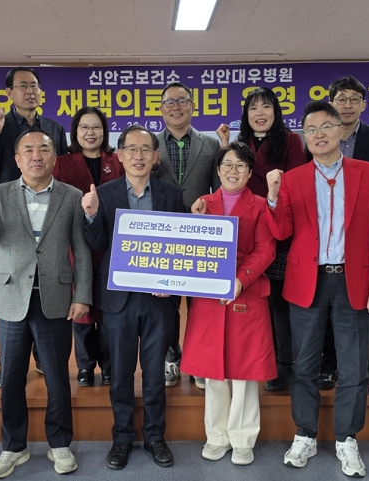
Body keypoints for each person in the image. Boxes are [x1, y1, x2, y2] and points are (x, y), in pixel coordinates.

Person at [266, 101, 369, 478]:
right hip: (307, 281)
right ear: (304, 137)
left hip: (353, 281)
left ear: (341, 130)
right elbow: (282, 231)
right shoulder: (293, 178)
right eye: (310, 129)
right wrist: (273, 197)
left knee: (353, 366)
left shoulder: (368, 173)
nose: (318, 134)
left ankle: (346, 438)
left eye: (325, 127)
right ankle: (305, 434)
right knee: (304, 364)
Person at [0, 129, 91, 478]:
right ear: (17, 159)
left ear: (54, 157)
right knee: (12, 379)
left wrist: (82, 296)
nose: (36, 155)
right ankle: (14, 447)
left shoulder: (72, 196)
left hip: (55, 299)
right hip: (12, 298)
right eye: (28, 150)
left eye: (43, 149)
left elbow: (82, 251)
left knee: (57, 378)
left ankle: (59, 444)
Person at [82, 125, 184, 470]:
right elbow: (97, 244)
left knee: (155, 375)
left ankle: (155, 437)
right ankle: (123, 438)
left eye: (145, 150)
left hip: (159, 299)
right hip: (118, 299)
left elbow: (181, 246)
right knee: (121, 373)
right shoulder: (105, 193)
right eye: (131, 149)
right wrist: (91, 215)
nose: (138, 156)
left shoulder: (171, 194)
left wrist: (173, 281)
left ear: (155, 157)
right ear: (120, 155)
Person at [181, 142, 276, 466]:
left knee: (245, 375)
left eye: (240, 166)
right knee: (213, 373)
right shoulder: (202, 204)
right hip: (209, 300)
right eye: (227, 165)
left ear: (249, 173)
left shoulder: (260, 205)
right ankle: (217, 436)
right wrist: (195, 221)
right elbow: (190, 249)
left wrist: (240, 279)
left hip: (246, 295)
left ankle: (243, 439)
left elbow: (266, 249)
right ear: (218, 170)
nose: (233, 171)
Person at [315, 75, 369, 395]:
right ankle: (329, 363)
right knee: (328, 301)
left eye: (354, 99)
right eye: (341, 99)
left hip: (365, 234)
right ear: (331, 103)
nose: (348, 105)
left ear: (364, 104)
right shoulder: (321, 136)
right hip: (328, 234)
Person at [0, 67, 68, 386]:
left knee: (47, 284)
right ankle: (9, 362)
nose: (30, 91)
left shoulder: (54, 129)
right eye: (22, 86)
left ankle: (44, 357)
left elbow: (62, 173)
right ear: (9, 92)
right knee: (14, 289)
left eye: (34, 86)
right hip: (11, 220)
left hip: (49, 217)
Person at [217, 87, 308, 392]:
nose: (259, 113)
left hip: (279, 230)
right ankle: (259, 361)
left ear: (275, 111)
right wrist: (225, 147)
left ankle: (284, 365)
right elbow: (229, 182)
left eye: (266, 107)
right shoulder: (241, 143)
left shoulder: (291, 141)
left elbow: (296, 187)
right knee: (256, 304)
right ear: (246, 114)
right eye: (253, 108)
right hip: (246, 234)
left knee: (279, 304)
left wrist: (271, 199)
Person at [153, 81, 221, 389]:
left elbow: (218, 191)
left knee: (199, 305)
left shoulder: (211, 144)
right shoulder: (150, 144)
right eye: (170, 102)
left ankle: (198, 361)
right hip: (162, 235)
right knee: (166, 304)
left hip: (199, 234)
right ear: (161, 109)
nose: (176, 107)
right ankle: (172, 356)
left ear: (193, 106)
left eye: (182, 101)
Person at [54, 106, 123, 387]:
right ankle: (85, 366)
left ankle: (108, 366)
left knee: (107, 308)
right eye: (84, 127)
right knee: (81, 306)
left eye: (96, 127)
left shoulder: (117, 161)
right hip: (76, 244)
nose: (90, 132)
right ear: (75, 132)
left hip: (111, 244)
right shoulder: (61, 163)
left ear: (104, 131)